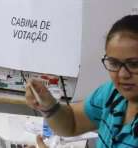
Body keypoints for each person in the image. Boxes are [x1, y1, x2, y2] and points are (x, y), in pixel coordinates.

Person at [24, 14, 138, 148]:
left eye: (134, 64)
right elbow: (72, 122)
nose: (122, 74)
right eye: (114, 63)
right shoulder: (112, 93)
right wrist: (49, 105)